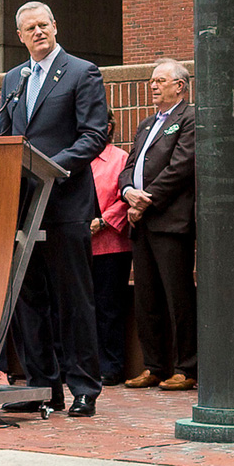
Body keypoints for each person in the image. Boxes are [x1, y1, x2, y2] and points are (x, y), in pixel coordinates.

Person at [0, 0, 111, 417]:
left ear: (55, 27)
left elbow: (94, 134)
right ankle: (42, 386)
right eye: (29, 28)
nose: (38, 32)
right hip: (21, 204)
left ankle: (83, 388)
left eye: (44, 25)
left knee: (72, 299)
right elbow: (6, 134)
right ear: (19, 36)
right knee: (29, 299)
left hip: (63, 201)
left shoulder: (81, 72)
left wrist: (55, 169)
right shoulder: (13, 79)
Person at [118, 59, 197, 391]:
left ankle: (186, 367)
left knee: (176, 295)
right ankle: (154, 365)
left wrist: (144, 200)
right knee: (146, 297)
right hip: (142, 221)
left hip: (169, 220)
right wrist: (127, 191)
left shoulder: (191, 118)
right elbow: (129, 164)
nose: (152, 86)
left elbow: (181, 166)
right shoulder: (147, 123)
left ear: (179, 86)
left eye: (160, 80)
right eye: (151, 81)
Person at [88, 135, 132, 385]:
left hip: (111, 245)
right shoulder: (77, 158)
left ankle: (112, 366)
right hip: (80, 246)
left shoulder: (120, 158)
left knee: (109, 308)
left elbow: (125, 198)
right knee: (84, 309)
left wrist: (103, 221)